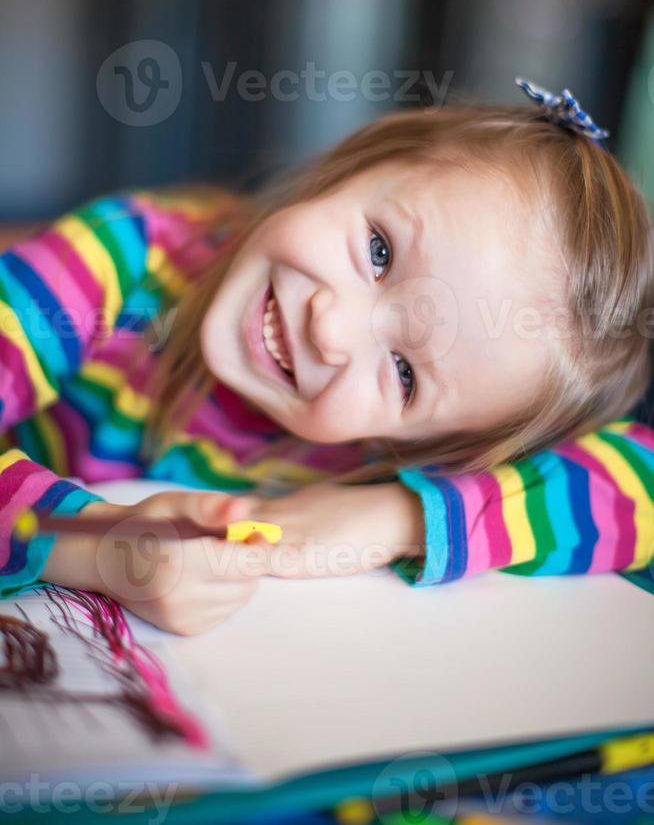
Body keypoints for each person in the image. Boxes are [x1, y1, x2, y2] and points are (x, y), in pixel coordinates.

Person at [1, 78, 653, 635]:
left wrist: (399, 516)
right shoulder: (119, 258)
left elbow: (639, 481)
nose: (332, 329)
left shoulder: (378, 461)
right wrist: (92, 546)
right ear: (356, 164)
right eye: (379, 253)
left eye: (404, 374)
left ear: (441, 441)